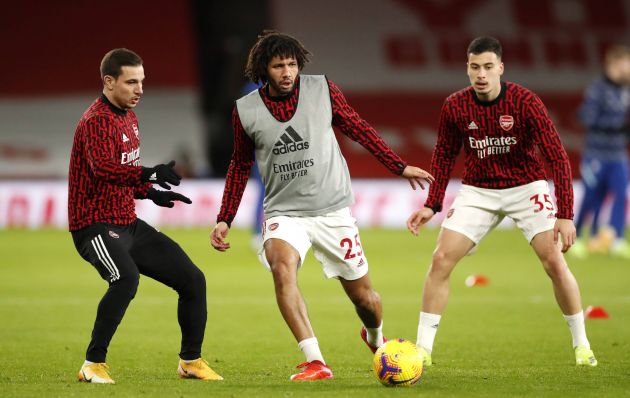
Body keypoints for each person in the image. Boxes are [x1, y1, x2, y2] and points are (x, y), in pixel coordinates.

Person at [210, 30, 433, 381]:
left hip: (332, 210)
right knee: (282, 269)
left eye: (292, 65)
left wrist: (398, 165)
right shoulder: (246, 111)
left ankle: (374, 338)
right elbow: (240, 165)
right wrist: (225, 218)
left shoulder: (322, 90)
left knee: (366, 300)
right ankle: (315, 361)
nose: (287, 72)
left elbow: (357, 128)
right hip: (284, 212)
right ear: (263, 70)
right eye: (278, 66)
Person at [407, 37, 598, 368]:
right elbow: (443, 155)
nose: (481, 74)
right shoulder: (455, 106)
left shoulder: (525, 101)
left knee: (553, 260)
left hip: (526, 187)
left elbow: (557, 156)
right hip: (478, 191)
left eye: (488, 67)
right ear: (467, 69)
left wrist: (565, 214)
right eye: (475, 67)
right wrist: (432, 204)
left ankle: (582, 345)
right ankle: (423, 350)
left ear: (500, 68)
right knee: (440, 260)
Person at [68, 48, 222, 384]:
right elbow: (105, 170)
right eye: (131, 82)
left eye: (142, 81)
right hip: (94, 224)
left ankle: (190, 361)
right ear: (109, 82)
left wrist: (149, 192)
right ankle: (92, 364)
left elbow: (122, 174)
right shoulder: (95, 120)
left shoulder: (128, 117)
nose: (139, 89)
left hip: (127, 222)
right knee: (125, 279)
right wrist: (148, 174)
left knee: (193, 280)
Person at [571, 45, 630, 259]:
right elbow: (584, 117)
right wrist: (614, 127)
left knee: (621, 194)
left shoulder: (624, 89)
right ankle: (576, 237)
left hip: (618, 154)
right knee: (592, 197)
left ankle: (617, 239)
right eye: (627, 64)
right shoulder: (598, 89)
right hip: (596, 154)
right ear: (615, 64)